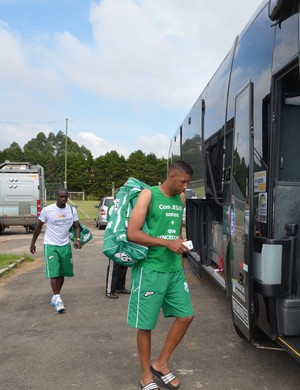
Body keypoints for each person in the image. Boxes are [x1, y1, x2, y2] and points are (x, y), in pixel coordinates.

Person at [127, 160, 194, 390]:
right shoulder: (149, 195)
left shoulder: (180, 199)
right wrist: (166, 243)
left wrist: (180, 247)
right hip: (150, 270)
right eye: (183, 181)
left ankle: (161, 363)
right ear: (172, 176)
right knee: (146, 325)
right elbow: (132, 233)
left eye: (188, 182)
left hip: (174, 270)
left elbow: (176, 231)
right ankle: (146, 375)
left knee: (186, 316)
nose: (185, 187)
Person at [30, 187, 82, 313]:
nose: (64, 199)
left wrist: (78, 239)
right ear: (56, 196)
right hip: (50, 245)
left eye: (66, 197)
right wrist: (33, 243)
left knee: (62, 272)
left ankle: (55, 296)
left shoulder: (71, 210)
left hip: (64, 245)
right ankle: (58, 299)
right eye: (61, 196)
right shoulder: (47, 210)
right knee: (54, 272)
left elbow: (77, 226)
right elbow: (38, 228)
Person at [105, 198, 130, 299]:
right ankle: (109, 290)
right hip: (115, 238)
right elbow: (113, 221)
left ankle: (120, 286)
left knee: (124, 261)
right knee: (114, 264)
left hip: (125, 237)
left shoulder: (127, 204)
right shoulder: (114, 206)